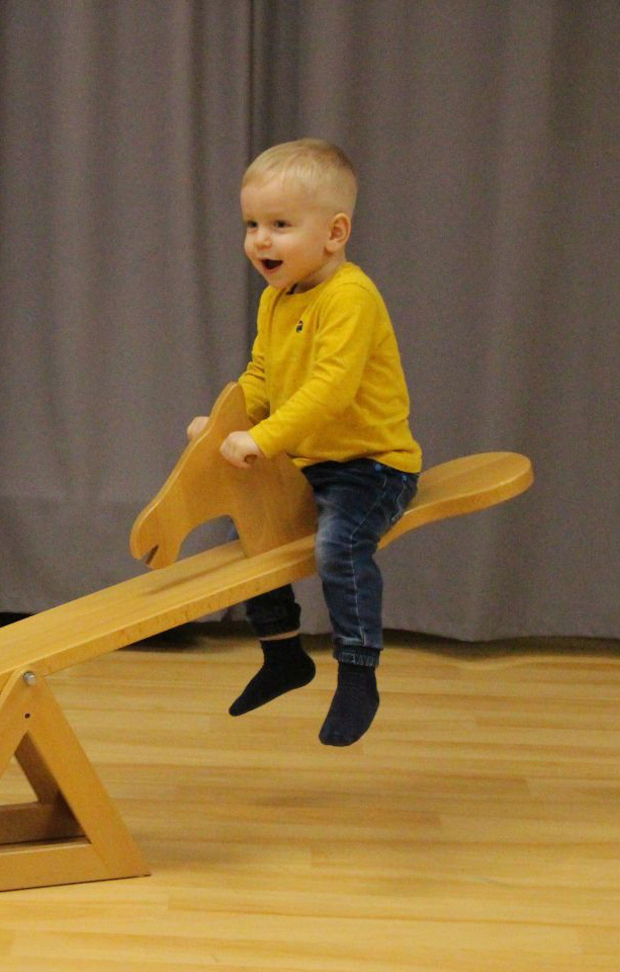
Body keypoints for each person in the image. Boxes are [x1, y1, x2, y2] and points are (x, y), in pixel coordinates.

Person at [187, 138, 421, 746]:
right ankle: (283, 654)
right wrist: (225, 423)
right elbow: (261, 377)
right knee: (254, 523)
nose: (260, 240)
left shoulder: (350, 298)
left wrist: (261, 439)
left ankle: (358, 671)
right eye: (252, 225)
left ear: (335, 232)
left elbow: (330, 391)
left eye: (280, 225)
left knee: (338, 546)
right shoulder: (275, 299)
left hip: (372, 467)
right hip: (310, 460)